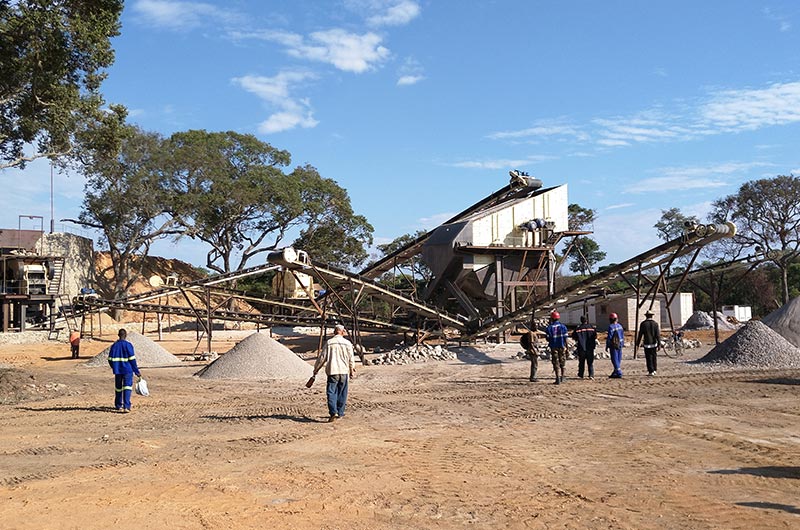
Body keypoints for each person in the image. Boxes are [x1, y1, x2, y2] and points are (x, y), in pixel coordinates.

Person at [313, 324, 356, 422]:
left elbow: (322, 358)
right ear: (342, 332)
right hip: (344, 371)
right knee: (342, 393)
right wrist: (351, 369)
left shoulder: (329, 343)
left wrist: (316, 369)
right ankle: (340, 412)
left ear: (334, 332)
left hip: (333, 371)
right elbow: (351, 358)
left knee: (331, 392)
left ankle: (333, 412)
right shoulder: (348, 343)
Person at [107, 328, 141, 413]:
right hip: (127, 370)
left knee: (118, 388)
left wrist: (114, 367)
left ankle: (118, 405)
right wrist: (136, 371)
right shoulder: (128, 345)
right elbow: (132, 359)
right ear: (125, 335)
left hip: (118, 370)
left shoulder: (114, 346)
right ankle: (126, 406)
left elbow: (110, 359)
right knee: (127, 387)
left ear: (118, 335)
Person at [545, 311, 568, 384]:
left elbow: (548, 338)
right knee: (563, 362)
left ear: (552, 318)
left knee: (556, 362)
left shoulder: (549, 328)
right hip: (562, 346)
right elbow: (566, 338)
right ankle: (563, 377)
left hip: (553, 347)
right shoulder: (563, 327)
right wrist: (566, 347)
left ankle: (557, 378)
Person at [636, 310, 661, 376]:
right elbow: (657, 335)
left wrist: (637, 343)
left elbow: (640, 335)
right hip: (654, 343)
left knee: (648, 357)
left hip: (647, 343)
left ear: (646, 316)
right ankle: (655, 369)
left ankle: (651, 370)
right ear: (652, 316)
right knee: (654, 357)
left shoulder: (643, 324)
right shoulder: (655, 324)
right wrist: (659, 344)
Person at [606, 313, 625, 378]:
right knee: (618, 359)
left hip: (613, 345)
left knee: (614, 359)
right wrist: (622, 344)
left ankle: (619, 372)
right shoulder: (620, 326)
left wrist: (607, 345)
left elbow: (609, 337)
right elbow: (622, 335)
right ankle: (615, 372)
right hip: (620, 344)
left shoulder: (611, 327)